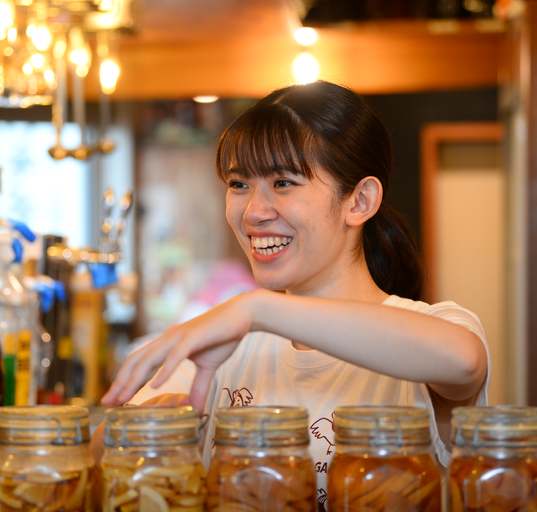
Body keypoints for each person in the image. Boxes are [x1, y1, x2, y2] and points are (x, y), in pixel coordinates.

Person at [98, 80, 489, 499]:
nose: (253, 212)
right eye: (238, 183)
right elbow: (97, 459)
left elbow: (464, 362)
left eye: (283, 182)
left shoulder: (436, 327)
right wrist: (139, 432)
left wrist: (256, 310)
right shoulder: (221, 353)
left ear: (359, 201)